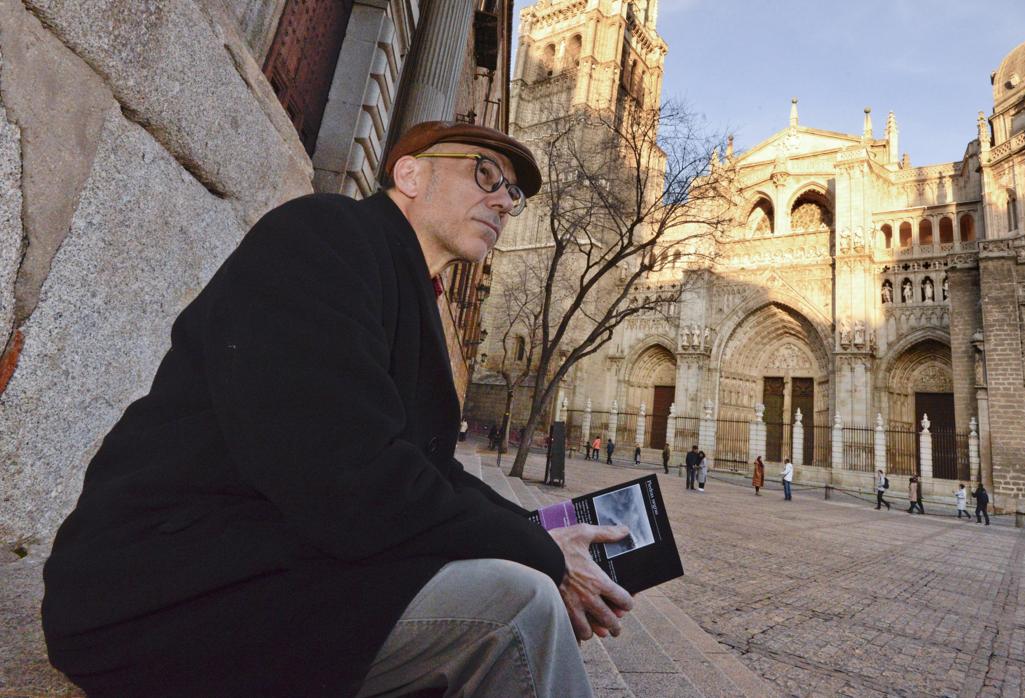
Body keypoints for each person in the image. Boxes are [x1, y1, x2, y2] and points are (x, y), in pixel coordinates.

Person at [40, 121, 635, 697]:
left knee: (518, 578)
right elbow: (349, 475)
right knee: (517, 605)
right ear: (410, 174)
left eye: (514, 194)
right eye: (487, 175)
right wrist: (539, 556)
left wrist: (539, 531)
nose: (505, 202)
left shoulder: (404, 285)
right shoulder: (322, 235)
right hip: (161, 592)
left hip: (276, 563)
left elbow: (428, 470)